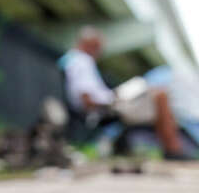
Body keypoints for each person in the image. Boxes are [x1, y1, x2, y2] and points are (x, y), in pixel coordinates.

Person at [59, 26, 189, 159]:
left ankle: (172, 147)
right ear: (86, 44)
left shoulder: (72, 60)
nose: (99, 53)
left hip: (109, 104)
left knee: (153, 93)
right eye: (96, 47)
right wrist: (113, 100)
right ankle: (173, 150)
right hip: (106, 109)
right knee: (160, 95)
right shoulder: (82, 61)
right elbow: (86, 99)